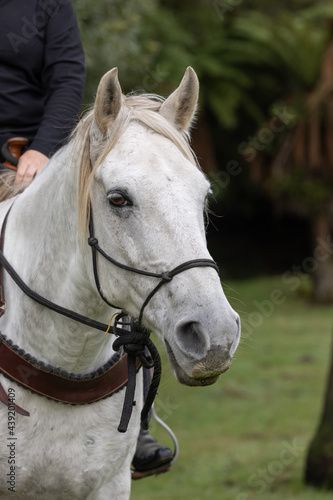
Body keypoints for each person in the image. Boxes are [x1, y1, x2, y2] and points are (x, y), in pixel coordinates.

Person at [0, 0, 173, 474]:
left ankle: (134, 425)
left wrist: (39, 149)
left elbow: (67, 76)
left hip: (33, 159)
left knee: (108, 253)